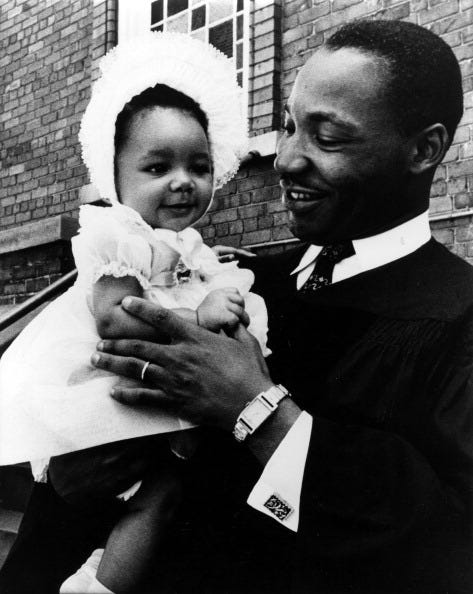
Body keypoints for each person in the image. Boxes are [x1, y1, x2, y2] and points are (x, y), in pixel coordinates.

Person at [2, 18, 473, 594]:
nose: (286, 160)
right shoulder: (232, 284)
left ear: (424, 149)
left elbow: (449, 548)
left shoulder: (460, 319)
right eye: (288, 128)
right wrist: (69, 483)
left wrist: (258, 411)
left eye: (328, 137)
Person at [0, 33, 268, 594]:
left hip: (161, 406)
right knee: (150, 497)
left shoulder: (194, 252)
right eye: (157, 167)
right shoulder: (117, 238)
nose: (181, 181)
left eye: (198, 165)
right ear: (116, 177)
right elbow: (116, 318)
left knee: (163, 495)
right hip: (102, 397)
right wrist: (202, 319)